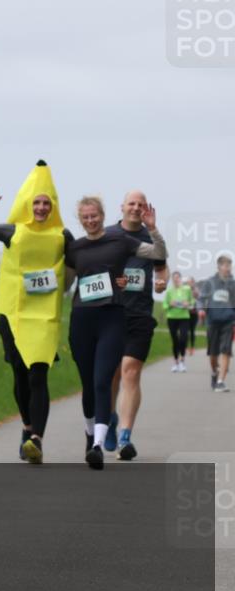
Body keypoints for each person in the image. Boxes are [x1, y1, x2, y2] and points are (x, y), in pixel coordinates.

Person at [0, 160, 74, 464]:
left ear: (53, 206)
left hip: (44, 315)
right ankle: (27, 427)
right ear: (27, 205)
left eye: (46, 203)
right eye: (36, 202)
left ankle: (37, 440)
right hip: (13, 315)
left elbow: (84, 260)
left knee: (38, 374)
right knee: (19, 375)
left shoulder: (62, 236)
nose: (41, 208)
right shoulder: (12, 231)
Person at [66, 196, 166, 470]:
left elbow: (159, 258)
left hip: (125, 315)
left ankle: (113, 440)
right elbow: (69, 280)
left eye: (94, 216)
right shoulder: (85, 244)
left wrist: (161, 277)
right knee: (98, 381)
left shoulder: (127, 240)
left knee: (118, 374)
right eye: (85, 217)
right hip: (89, 317)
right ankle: (100, 424)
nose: (90, 220)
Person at [105, 191, 169, 460]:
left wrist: (162, 280)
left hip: (140, 314)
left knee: (130, 372)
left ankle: (125, 436)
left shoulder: (150, 238)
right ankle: (108, 418)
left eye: (140, 204)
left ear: (146, 209)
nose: (135, 208)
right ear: (122, 207)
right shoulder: (108, 235)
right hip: (110, 313)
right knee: (112, 375)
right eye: (131, 203)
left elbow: (162, 264)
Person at [198, 255, 235, 392]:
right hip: (213, 321)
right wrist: (201, 309)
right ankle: (214, 372)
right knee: (213, 353)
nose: (228, 269)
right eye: (225, 266)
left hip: (228, 320)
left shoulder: (232, 283)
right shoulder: (210, 282)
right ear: (219, 267)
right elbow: (201, 298)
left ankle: (220, 381)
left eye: (229, 266)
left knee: (226, 350)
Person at [164, 271, 195, 372]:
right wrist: (170, 305)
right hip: (172, 317)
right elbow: (164, 305)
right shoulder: (169, 291)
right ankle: (176, 363)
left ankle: (182, 361)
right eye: (174, 278)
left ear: (181, 279)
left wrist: (188, 304)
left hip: (184, 317)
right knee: (175, 340)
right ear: (172, 280)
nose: (176, 279)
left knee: (183, 338)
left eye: (178, 277)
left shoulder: (187, 289)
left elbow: (192, 302)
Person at [188, 276, 201, 356]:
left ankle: (192, 348)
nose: (190, 283)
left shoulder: (196, 290)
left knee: (192, 331)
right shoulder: (184, 289)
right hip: (186, 313)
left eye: (191, 282)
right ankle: (185, 347)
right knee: (185, 331)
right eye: (189, 282)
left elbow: (198, 298)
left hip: (194, 313)